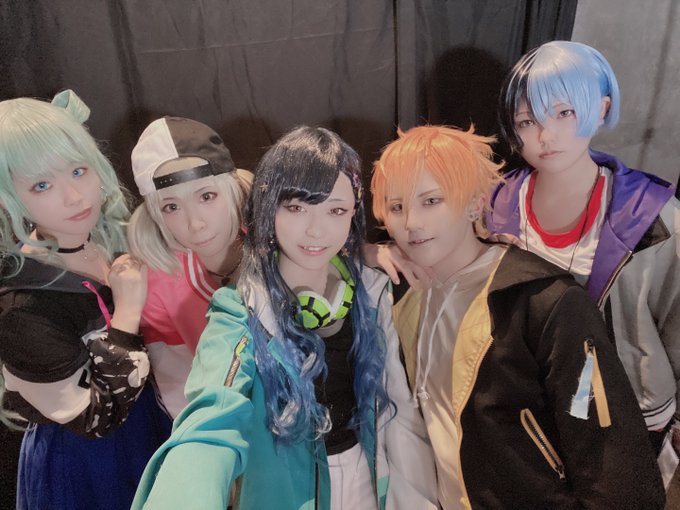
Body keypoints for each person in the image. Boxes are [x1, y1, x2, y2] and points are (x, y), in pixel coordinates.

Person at [132, 126, 437, 510]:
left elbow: (400, 415)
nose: (316, 229)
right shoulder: (238, 309)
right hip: (285, 490)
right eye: (295, 208)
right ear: (267, 207)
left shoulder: (374, 293)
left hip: (371, 479)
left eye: (336, 210)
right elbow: (210, 416)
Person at [371, 124, 665, 508]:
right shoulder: (403, 294)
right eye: (396, 207)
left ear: (475, 204)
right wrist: (367, 251)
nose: (411, 222)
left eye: (431, 201)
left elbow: (613, 461)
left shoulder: (543, 300)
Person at [486, 40, 680, 483]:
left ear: (601, 107)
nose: (546, 135)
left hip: (627, 408)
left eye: (564, 113)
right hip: (528, 407)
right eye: (527, 121)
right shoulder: (493, 209)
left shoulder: (656, 219)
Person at [0, 90, 171, 509]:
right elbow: (95, 419)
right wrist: (127, 312)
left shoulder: (112, 237)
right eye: (42, 185)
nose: (75, 197)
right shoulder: (21, 304)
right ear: (9, 198)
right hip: (86, 466)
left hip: (152, 430)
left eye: (79, 170)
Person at [127, 116, 252, 418]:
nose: (195, 223)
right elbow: (187, 400)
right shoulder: (158, 287)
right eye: (172, 207)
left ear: (231, 189)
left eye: (207, 196)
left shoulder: (281, 241)